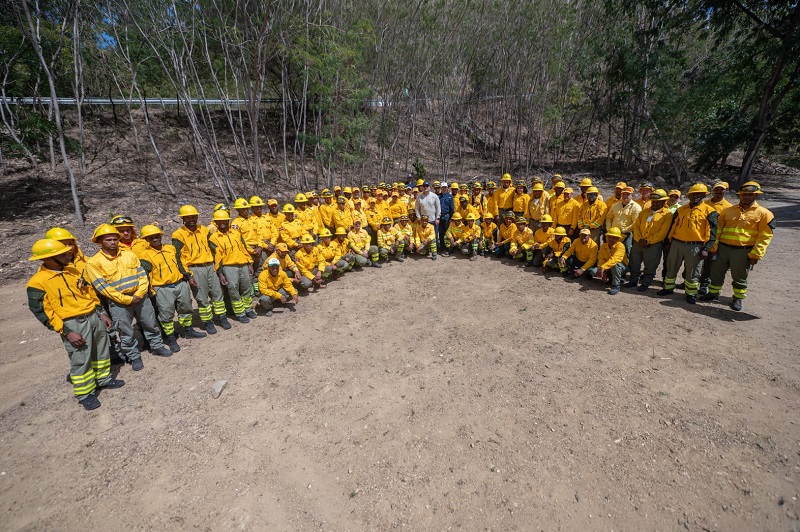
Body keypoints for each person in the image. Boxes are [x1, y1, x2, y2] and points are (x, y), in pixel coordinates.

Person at [26, 239, 123, 410]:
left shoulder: (73, 271)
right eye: (62, 254)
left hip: (93, 316)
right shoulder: (37, 282)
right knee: (81, 358)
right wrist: (66, 331)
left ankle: (103, 379)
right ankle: (85, 393)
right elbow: (43, 312)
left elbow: (88, 292)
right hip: (73, 324)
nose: (68, 255)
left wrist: (101, 312)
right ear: (47, 259)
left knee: (101, 351)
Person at [86, 224, 172, 371]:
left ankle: (157, 345)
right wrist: (126, 299)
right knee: (125, 330)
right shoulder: (94, 262)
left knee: (150, 323)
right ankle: (134, 356)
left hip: (140, 296)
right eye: (108, 240)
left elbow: (142, 276)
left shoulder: (129, 255)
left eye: (115, 239)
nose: (113, 242)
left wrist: (139, 294)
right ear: (100, 241)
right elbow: (103, 288)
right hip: (118, 302)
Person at [701, 181, 775, 311]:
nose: (746, 197)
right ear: (740, 195)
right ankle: (713, 293)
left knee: (739, 276)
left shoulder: (764, 214)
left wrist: (756, 254)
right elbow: (717, 231)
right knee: (716, 273)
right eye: (743, 194)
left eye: (750, 194)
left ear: (756, 195)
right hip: (723, 249)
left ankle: (737, 298)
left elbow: (765, 236)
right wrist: (713, 248)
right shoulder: (728, 211)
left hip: (743, 251)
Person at [138, 224, 207, 349]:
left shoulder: (171, 249)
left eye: (157, 236)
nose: (155, 239)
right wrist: (150, 292)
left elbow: (181, 264)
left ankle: (188, 330)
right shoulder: (145, 255)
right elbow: (146, 275)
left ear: (161, 236)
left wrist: (189, 277)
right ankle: (171, 339)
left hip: (180, 283)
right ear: (146, 239)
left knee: (186, 308)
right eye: (151, 238)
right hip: (162, 288)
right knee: (166, 314)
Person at [172, 204, 231, 334]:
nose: (191, 219)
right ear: (183, 219)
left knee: (217, 293)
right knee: (202, 297)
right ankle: (208, 322)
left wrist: (219, 269)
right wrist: (188, 275)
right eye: (188, 217)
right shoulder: (178, 235)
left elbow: (214, 249)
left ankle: (222, 317)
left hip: (210, 266)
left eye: (194, 216)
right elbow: (178, 258)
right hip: (195, 268)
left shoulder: (204, 230)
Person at [657, 183, 718, 304]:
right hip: (677, 243)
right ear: (689, 196)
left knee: (693, 271)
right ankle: (668, 288)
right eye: (693, 194)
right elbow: (672, 226)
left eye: (699, 194)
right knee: (671, 267)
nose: (695, 197)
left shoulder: (710, 211)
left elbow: (712, 233)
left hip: (696, 246)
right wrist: (668, 242)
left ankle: (691, 293)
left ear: (704, 195)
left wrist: (706, 249)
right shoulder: (681, 210)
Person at [209, 210, 255, 323]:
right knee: (233, 290)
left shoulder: (236, 233)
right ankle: (240, 313)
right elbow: (217, 257)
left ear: (228, 221)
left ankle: (248, 309)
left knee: (247, 287)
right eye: (219, 221)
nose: (222, 222)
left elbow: (243, 248)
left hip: (243, 264)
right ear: (216, 222)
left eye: (224, 220)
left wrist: (249, 263)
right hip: (228, 267)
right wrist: (220, 273)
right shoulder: (213, 238)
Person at [626, 189, 673, 292]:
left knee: (650, 265)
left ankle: (646, 283)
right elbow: (637, 226)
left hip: (653, 245)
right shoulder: (644, 212)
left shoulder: (667, 214)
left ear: (663, 201)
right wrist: (639, 239)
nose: (655, 204)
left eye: (658, 202)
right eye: (653, 201)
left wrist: (648, 241)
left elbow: (662, 232)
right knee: (634, 262)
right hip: (638, 242)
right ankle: (633, 280)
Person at [698, 181, 733, 294]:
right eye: (716, 189)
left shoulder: (728, 208)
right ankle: (688, 281)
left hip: (715, 240)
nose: (718, 192)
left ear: (726, 191)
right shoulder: (704, 203)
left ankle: (704, 285)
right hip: (700, 237)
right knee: (694, 262)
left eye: (721, 189)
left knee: (710, 264)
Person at [605, 186, 642, 255]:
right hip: (613, 234)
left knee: (626, 251)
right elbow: (609, 217)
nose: (625, 196)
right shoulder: (615, 205)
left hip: (626, 234)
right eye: (623, 194)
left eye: (627, 194)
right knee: (611, 251)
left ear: (632, 196)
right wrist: (608, 228)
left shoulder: (636, 207)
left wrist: (624, 230)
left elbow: (636, 223)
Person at [596, 227, 628, 295]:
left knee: (615, 265)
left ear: (618, 239)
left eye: (613, 237)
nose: (610, 239)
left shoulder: (620, 246)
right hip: (608, 267)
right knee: (594, 272)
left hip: (621, 267)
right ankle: (611, 279)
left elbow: (615, 259)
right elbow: (601, 259)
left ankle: (616, 286)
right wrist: (602, 270)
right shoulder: (603, 246)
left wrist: (603, 267)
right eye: (609, 237)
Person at [415, 181, 443, 249]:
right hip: (423, 221)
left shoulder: (434, 196)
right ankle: (426, 249)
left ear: (429, 187)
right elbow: (417, 208)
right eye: (424, 186)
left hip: (433, 220)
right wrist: (418, 218)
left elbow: (438, 208)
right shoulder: (419, 197)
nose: (425, 188)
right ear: (422, 187)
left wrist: (437, 218)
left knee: (434, 235)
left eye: (427, 186)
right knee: (424, 236)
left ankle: (435, 249)